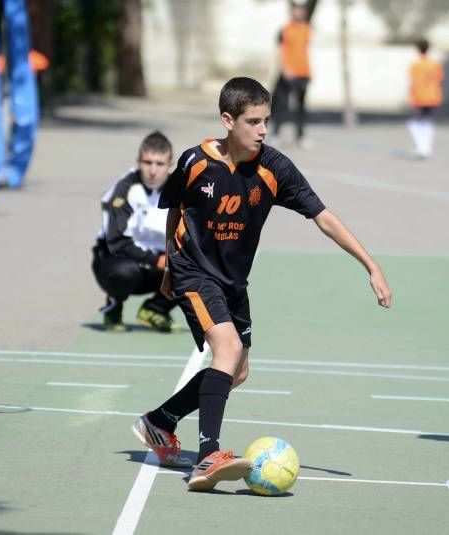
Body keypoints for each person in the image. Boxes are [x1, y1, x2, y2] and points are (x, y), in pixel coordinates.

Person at [131, 77, 393, 491]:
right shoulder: (193, 162)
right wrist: (168, 267)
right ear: (227, 120)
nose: (263, 130)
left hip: (234, 281)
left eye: (266, 120)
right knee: (228, 349)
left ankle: (159, 421)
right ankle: (207, 457)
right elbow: (175, 210)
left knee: (236, 371)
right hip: (194, 272)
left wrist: (370, 265)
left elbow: (322, 216)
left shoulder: (274, 167)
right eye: (253, 121)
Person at [91, 131, 179, 332]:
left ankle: (156, 309)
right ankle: (113, 307)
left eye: (160, 164)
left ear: (170, 165)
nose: (153, 171)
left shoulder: (181, 190)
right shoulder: (124, 189)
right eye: (147, 163)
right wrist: (156, 261)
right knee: (123, 272)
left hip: (158, 261)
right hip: (118, 259)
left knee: (200, 267)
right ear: (138, 162)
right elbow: (116, 242)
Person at [270, 1, 312, 148]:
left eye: (301, 10)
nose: (298, 13)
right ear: (292, 11)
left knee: (301, 106)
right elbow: (281, 50)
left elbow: (305, 51)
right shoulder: (285, 30)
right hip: (287, 73)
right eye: (296, 10)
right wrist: (285, 68)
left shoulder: (307, 29)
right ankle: (276, 134)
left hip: (303, 73)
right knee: (282, 104)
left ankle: (300, 136)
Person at [407, 38, 444, 159]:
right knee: (427, 121)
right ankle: (426, 147)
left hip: (419, 96)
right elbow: (439, 78)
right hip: (433, 96)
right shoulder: (435, 64)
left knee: (414, 122)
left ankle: (421, 147)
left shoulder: (415, 65)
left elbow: (414, 81)